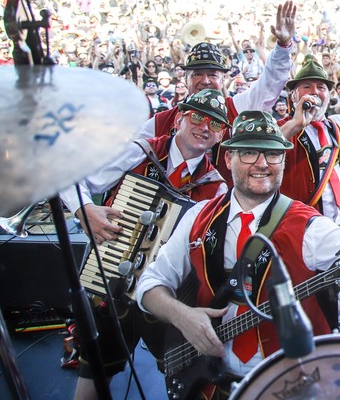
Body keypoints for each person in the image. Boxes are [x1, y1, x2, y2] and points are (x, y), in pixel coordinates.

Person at [136, 111, 340, 396]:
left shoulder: (309, 226)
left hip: (292, 385)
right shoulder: (199, 217)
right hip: (207, 384)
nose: (262, 164)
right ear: (228, 158)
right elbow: (149, 285)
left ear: (284, 161)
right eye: (249, 152)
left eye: (273, 154)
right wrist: (182, 316)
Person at [59, 89, 230, 400]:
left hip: (166, 300)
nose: (205, 127)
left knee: (186, 384)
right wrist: (84, 209)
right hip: (111, 283)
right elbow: (71, 175)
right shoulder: (140, 150)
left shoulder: (217, 188)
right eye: (197, 116)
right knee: (92, 375)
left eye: (216, 124)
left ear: (221, 137)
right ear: (178, 119)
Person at [137, 1, 297, 185]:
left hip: (223, 201)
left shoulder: (238, 108)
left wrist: (283, 46)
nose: (205, 81)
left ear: (223, 79)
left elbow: (270, 83)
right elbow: (129, 157)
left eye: (212, 74)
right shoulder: (160, 122)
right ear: (185, 79)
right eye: (197, 74)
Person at [277, 55, 340, 225]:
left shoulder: (335, 125)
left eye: (321, 87)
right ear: (293, 96)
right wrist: (295, 124)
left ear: (328, 95)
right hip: (301, 228)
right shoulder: (282, 128)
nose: (315, 92)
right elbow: (263, 148)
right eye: (307, 87)